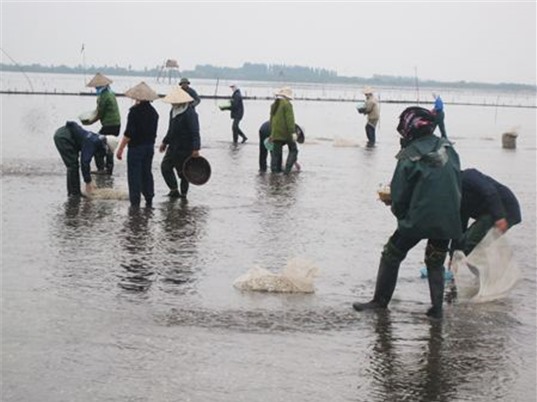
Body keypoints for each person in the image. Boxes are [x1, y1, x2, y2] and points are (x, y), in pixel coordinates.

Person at [353, 106, 462, 319]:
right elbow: (457, 181)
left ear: (409, 129)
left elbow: (399, 196)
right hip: (448, 219)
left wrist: (397, 211)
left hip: (419, 218)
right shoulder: (449, 149)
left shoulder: (408, 155)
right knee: (435, 260)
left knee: (392, 253)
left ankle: (379, 302)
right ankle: (437, 310)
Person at [451, 168, 521, 256]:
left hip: (505, 209)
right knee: (463, 243)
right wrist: (453, 254)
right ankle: (460, 265)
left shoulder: (469, 176)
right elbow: (460, 226)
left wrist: (499, 217)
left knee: (470, 243)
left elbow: (490, 191)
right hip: (488, 214)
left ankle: (469, 266)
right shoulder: (457, 197)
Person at [116, 82, 160, 208]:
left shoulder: (134, 112)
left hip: (136, 148)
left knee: (134, 175)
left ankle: (135, 204)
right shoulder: (154, 113)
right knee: (147, 173)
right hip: (149, 148)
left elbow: (129, 133)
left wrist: (120, 149)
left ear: (138, 97)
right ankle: (149, 198)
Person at [53, 121, 118, 197]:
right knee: (73, 165)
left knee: (73, 165)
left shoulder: (98, 139)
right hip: (63, 137)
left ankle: (73, 192)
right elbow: (85, 162)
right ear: (106, 145)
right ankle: (75, 193)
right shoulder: (92, 142)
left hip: (67, 135)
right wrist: (88, 182)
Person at [159, 86, 202, 200]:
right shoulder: (173, 111)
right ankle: (174, 190)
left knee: (183, 173)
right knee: (165, 167)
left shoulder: (190, 113)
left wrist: (196, 149)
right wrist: (165, 142)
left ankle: (183, 196)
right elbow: (171, 129)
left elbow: (195, 132)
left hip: (185, 148)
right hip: (173, 146)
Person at [83, 73, 121, 174]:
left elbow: (100, 113)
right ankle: (109, 169)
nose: (96, 88)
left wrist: (90, 122)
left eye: (97, 86)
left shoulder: (104, 96)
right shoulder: (110, 93)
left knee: (97, 145)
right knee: (109, 145)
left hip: (109, 125)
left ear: (100, 86)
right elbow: (100, 111)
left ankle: (102, 169)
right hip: (116, 124)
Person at [268, 87, 298, 175]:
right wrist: (293, 132)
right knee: (293, 150)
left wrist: (271, 133)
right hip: (285, 133)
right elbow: (290, 120)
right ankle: (287, 171)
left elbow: (271, 120)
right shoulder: (287, 104)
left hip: (275, 133)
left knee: (276, 154)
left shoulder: (274, 104)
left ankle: (274, 172)